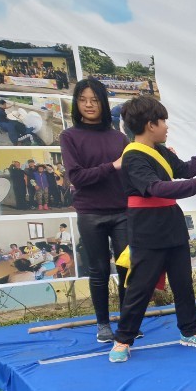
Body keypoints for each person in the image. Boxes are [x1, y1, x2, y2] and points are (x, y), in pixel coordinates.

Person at [108, 96, 196, 363]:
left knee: (183, 283)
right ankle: (123, 339)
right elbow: (156, 188)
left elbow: (185, 169)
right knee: (140, 287)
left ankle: (189, 330)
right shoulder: (133, 156)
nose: (167, 126)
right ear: (150, 125)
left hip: (172, 224)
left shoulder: (159, 150)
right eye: (163, 121)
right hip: (147, 228)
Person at [62, 79, 139, 342]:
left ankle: (127, 323)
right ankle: (103, 324)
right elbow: (77, 177)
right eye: (83, 100)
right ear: (76, 103)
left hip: (121, 211)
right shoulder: (69, 137)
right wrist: (112, 165)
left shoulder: (118, 137)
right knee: (98, 271)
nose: (89, 105)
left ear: (104, 103)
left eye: (94, 100)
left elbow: (131, 170)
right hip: (90, 213)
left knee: (127, 269)